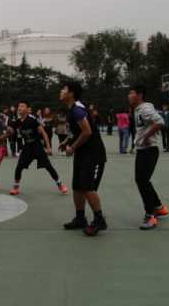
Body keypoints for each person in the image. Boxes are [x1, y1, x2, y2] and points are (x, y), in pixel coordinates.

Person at [59, 82, 108, 236]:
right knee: (77, 187)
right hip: (83, 153)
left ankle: (99, 220)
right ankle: (80, 218)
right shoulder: (71, 109)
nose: (61, 91)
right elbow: (76, 131)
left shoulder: (77, 110)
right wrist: (67, 141)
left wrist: (72, 148)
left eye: (64, 89)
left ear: (71, 93)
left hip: (93, 154)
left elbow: (87, 132)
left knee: (87, 187)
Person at [129, 85, 169, 230]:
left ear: (139, 95)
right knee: (143, 180)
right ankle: (158, 207)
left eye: (131, 93)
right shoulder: (138, 109)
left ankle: (150, 215)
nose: (129, 96)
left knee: (142, 181)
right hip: (144, 150)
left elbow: (160, 122)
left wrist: (146, 137)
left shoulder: (145, 109)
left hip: (149, 150)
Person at [8, 101, 68, 196]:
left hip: (37, 147)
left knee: (48, 166)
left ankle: (60, 185)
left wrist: (48, 147)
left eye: (22, 106)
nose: (19, 108)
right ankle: (15, 187)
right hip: (27, 147)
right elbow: (9, 132)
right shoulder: (17, 122)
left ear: (28, 109)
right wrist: (1, 136)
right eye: (19, 106)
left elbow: (44, 133)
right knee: (19, 167)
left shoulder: (32, 120)